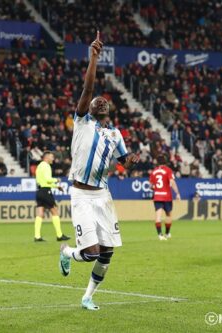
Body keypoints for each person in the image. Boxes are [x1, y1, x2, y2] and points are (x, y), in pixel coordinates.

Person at [58, 31, 140, 311]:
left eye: (103, 101)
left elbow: (124, 162)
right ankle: (67, 252)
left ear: (109, 108)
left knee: (107, 253)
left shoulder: (116, 134)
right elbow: (87, 90)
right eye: (95, 101)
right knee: (91, 252)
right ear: (91, 108)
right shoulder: (82, 122)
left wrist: (131, 162)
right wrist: (93, 59)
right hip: (81, 195)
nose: (98, 101)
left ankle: (87, 296)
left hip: (103, 196)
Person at [34, 151, 70, 242]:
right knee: (54, 211)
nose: (53, 158)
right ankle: (59, 235)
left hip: (39, 191)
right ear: (46, 157)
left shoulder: (39, 166)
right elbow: (47, 179)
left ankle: (37, 236)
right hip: (46, 191)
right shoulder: (46, 166)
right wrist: (56, 180)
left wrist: (55, 186)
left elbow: (43, 181)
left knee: (40, 213)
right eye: (51, 157)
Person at [149, 155, 181, 240]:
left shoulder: (154, 171)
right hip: (167, 196)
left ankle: (160, 235)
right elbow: (172, 182)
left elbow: (151, 186)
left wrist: (156, 188)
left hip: (157, 196)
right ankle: (167, 233)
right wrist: (177, 193)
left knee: (158, 216)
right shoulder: (168, 170)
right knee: (169, 216)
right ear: (165, 162)